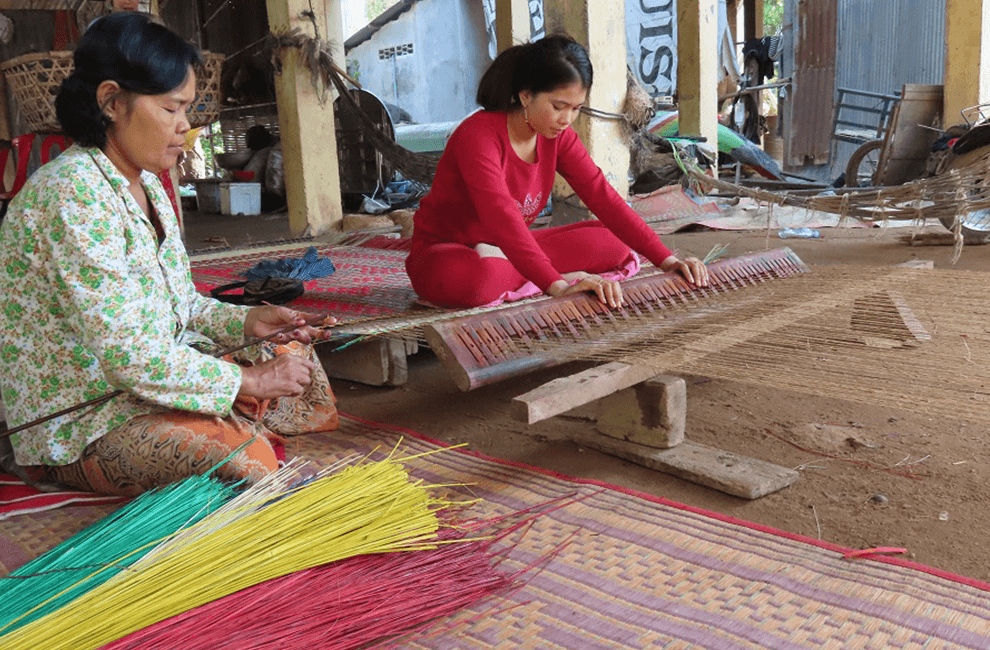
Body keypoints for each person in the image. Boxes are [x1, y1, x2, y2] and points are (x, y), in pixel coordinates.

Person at [0, 13, 338, 497]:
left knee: (291, 351)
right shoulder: (70, 193)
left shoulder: (150, 187)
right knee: (239, 455)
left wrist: (248, 324)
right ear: (112, 101)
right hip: (86, 416)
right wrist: (249, 382)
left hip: (146, 377)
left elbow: (180, 304)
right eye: (172, 109)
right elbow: (128, 357)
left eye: (187, 110)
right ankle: (67, 464)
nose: (186, 127)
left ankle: (230, 416)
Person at [405, 35, 709, 310]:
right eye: (558, 106)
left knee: (611, 244)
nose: (567, 119)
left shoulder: (557, 136)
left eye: (576, 109)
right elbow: (502, 218)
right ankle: (535, 273)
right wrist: (559, 285)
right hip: (448, 255)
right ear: (526, 96)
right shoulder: (478, 136)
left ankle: (524, 270)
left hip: (505, 249)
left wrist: (667, 260)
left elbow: (602, 196)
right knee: (480, 279)